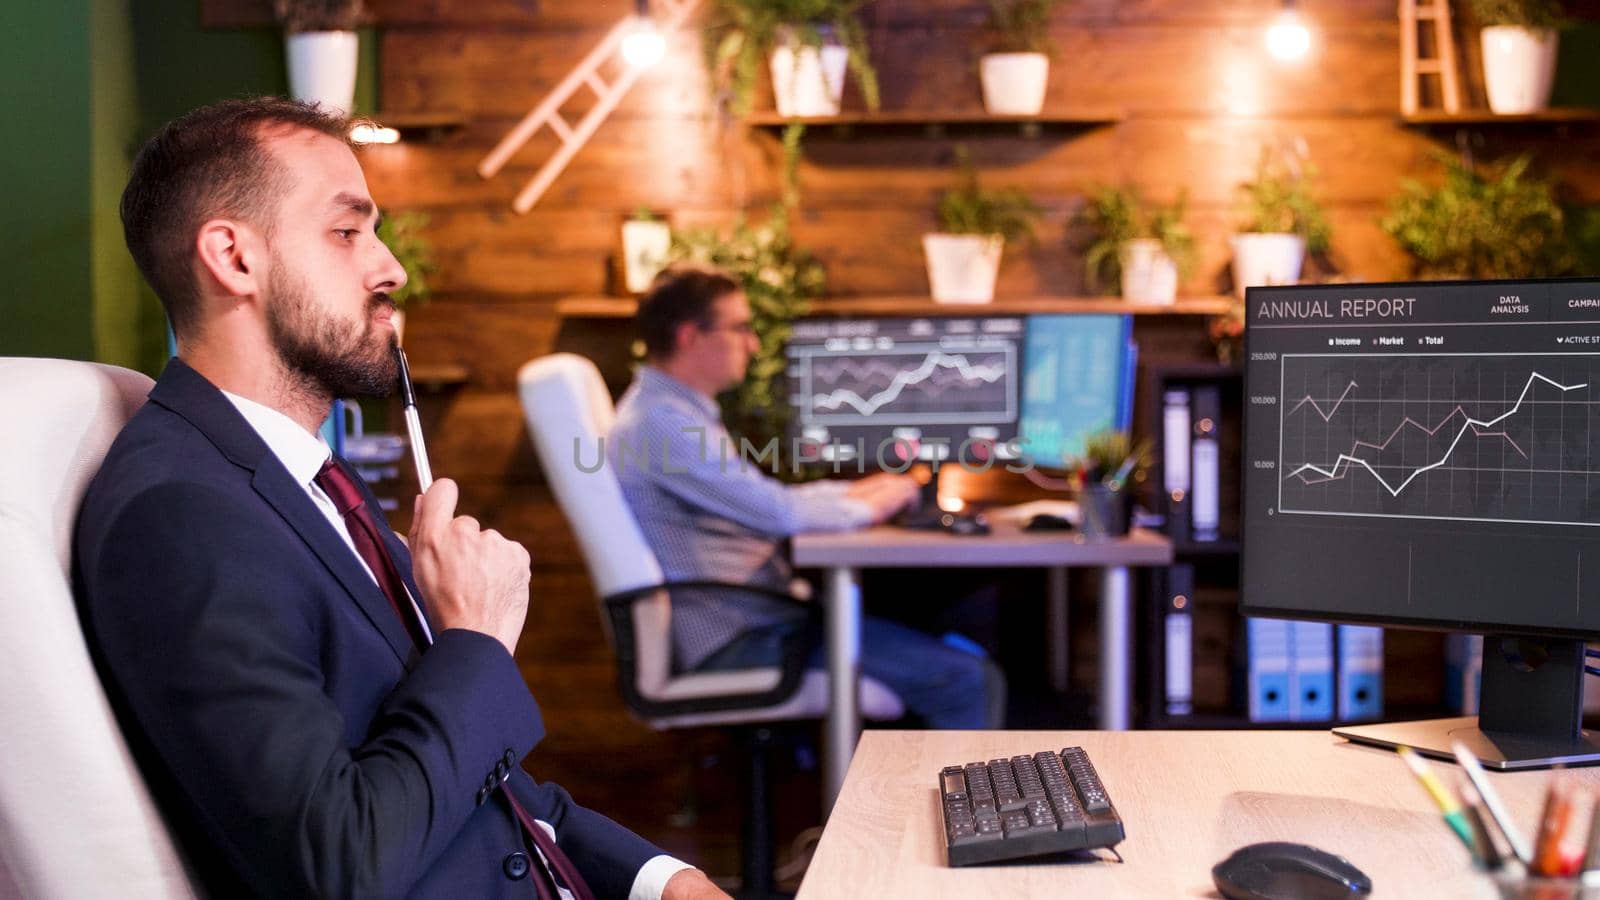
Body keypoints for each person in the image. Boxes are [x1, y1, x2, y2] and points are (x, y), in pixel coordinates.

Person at [74, 97, 727, 900]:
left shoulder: (310, 486)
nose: (392, 269)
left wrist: (663, 879)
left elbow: (484, 790)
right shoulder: (181, 517)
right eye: (348, 233)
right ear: (233, 258)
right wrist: (476, 640)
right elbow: (343, 861)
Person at [607, 266, 1004, 729]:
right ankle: (974, 803)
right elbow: (778, 514)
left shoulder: (667, 412)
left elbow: (762, 499)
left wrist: (861, 490)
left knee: (943, 631)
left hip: (753, 622)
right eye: (740, 328)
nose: (753, 344)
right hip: (740, 639)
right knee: (969, 680)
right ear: (690, 336)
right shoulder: (663, 424)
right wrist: (873, 503)